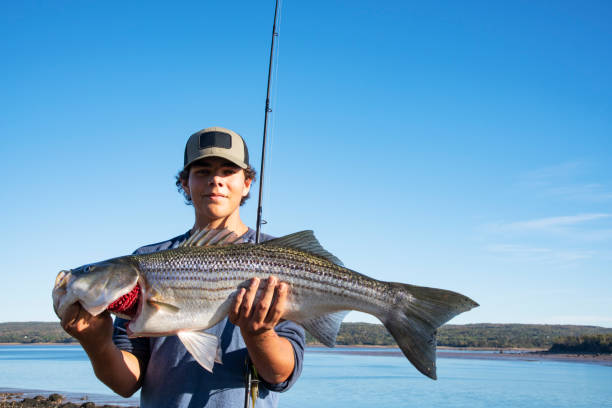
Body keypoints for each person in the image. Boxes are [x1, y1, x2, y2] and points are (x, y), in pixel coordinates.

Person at [60, 126, 306, 408]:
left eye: (228, 171)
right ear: (185, 183)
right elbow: (125, 383)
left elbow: (282, 375)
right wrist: (96, 343)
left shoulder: (280, 259)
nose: (216, 180)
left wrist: (259, 334)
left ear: (247, 183)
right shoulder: (146, 258)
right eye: (202, 171)